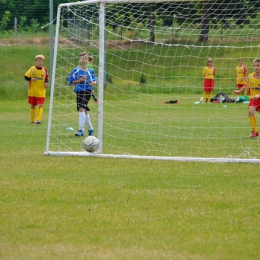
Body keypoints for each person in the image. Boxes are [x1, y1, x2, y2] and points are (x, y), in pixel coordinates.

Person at [68, 51, 97, 137]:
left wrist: (93, 83)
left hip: (87, 91)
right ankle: (91, 129)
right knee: (85, 111)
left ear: (88, 60)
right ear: (79, 60)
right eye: (82, 58)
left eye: (85, 58)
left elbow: (95, 80)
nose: (83, 60)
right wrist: (80, 80)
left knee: (81, 108)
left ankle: (80, 130)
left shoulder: (90, 71)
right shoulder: (76, 70)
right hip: (79, 92)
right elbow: (71, 82)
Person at [233, 58, 260, 138]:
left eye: (258, 65)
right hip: (253, 98)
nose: (256, 67)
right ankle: (254, 131)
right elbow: (246, 85)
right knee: (250, 111)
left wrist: (259, 95)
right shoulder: (250, 76)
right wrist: (239, 91)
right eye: (254, 65)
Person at [24, 54, 49, 124]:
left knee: (40, 105)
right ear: (36, 61)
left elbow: (47, 78)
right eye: (38, 60)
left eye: (41, 61)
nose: (40, 62)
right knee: (32, 105)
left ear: (43, 62)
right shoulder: (32, 69)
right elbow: (25, 76)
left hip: (41, 91)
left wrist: (46, 82)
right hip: (32, 91)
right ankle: (32, 120)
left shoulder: (44, 70)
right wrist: (31, 79)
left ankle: (38, 120)